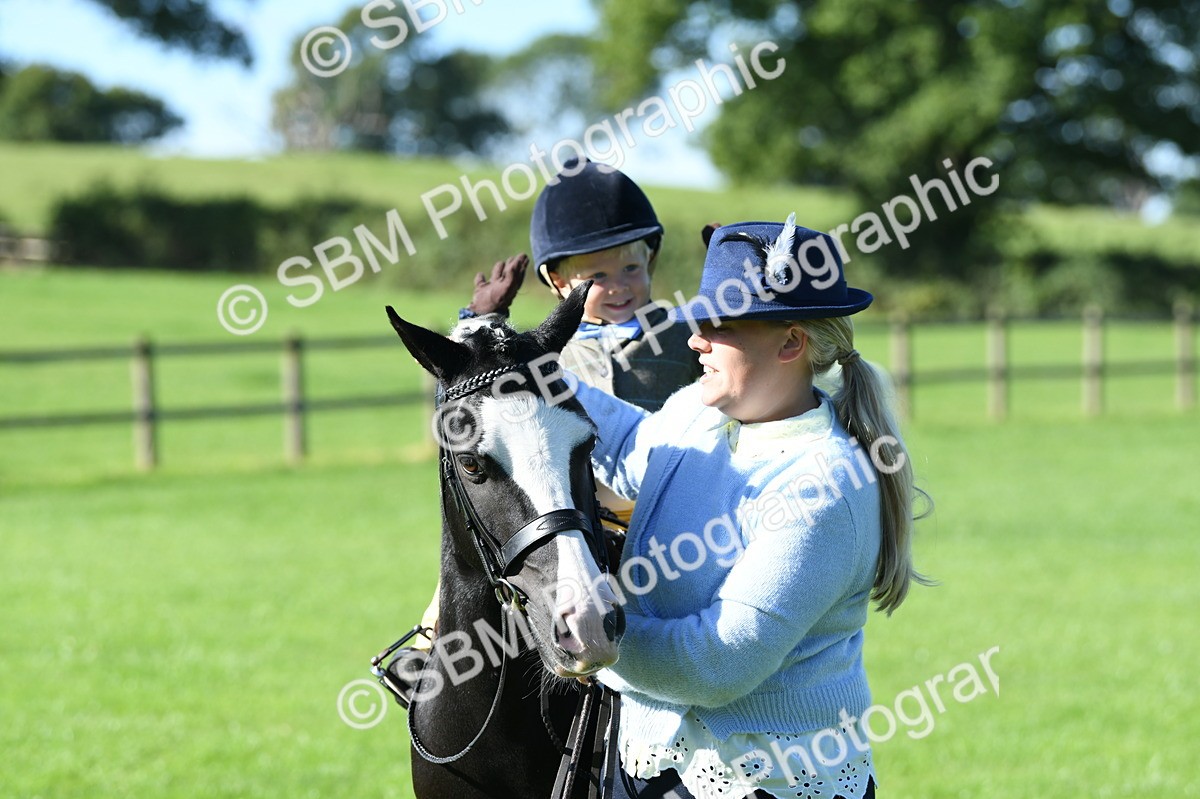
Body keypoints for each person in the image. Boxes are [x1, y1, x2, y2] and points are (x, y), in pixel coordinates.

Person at [567, 214, 930, 799]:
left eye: (720, 324)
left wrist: (596, 639)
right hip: (647, 765)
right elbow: (636, 447)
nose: (695, 340)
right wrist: (527, 374)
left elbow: (719, 661)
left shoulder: (825, 485)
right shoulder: (697, 411)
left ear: (792, 341)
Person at [392, 159, 704, 664]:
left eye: (632, 267)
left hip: (657, 507)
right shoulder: (544, 348)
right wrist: (479, 318)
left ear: (653, 258)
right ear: (559, 283)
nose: (621, 285)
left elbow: (733, 344)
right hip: (569, 505)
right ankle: (432, 648)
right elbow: (474, 387)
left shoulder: (682, 331)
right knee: (466, 563)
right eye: (598, 275)